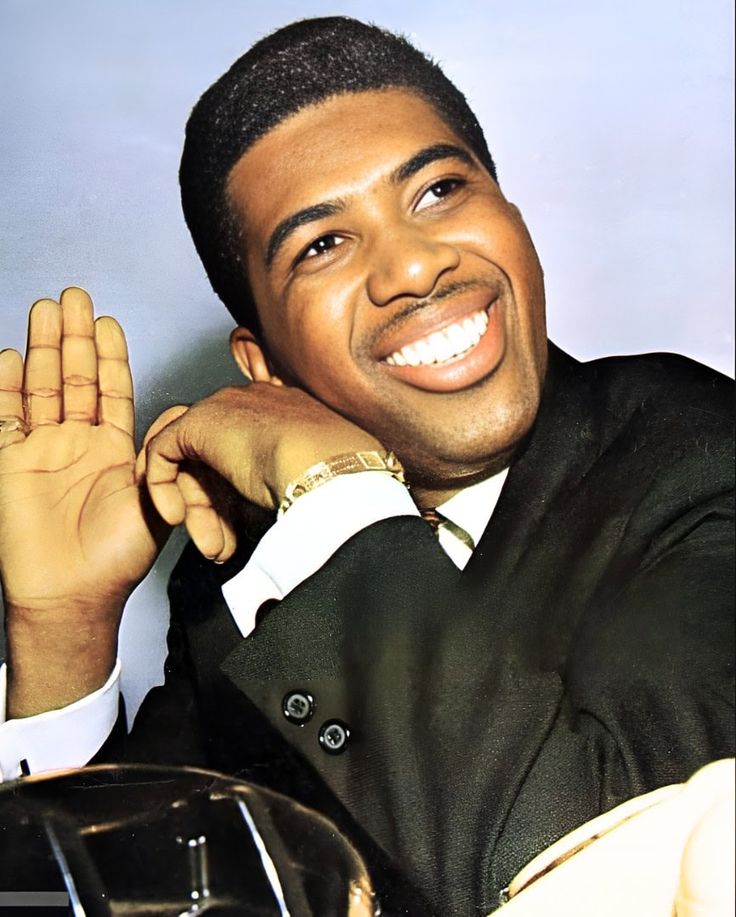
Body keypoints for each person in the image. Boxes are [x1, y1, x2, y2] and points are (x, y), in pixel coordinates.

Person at [0, 16, 733, 915]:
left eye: (438, 191)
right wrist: (63, 632)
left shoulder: (696, 450)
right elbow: (144, 886)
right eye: (322, 244)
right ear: (264, 368)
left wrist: (335, 487)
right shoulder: (245, 567)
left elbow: (605, 875)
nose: (414, 266)